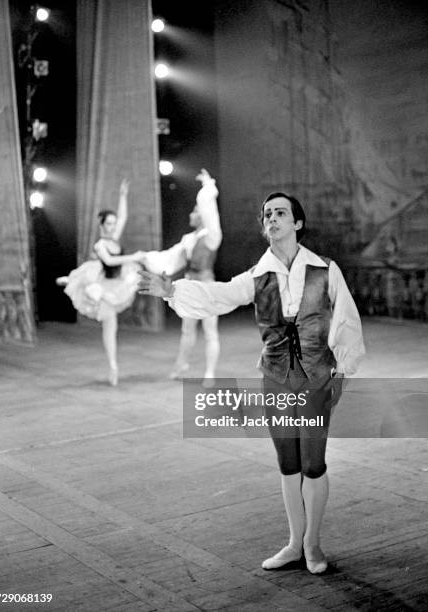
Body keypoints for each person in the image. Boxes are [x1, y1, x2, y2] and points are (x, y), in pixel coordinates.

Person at [138, 192, 365, 574]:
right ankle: (295, 543)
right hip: (275, 378)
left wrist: (342, 370)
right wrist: (173, 290)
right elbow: (220, 296)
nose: (272, 218)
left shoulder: (326, 269)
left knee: (313, 463)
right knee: (288, 463)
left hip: (315, 380)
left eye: (281, 213)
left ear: (297, 223)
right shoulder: (257, 276)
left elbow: (346, 320)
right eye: (267, 214)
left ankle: (313, 545)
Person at [137, 169, 222, 387]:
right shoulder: (188, 239)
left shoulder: (211, 237)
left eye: (194, 212)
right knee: (188, 330)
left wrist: (207, 185)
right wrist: (146, 257)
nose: (191, 215)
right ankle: (181, 364)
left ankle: (210, 372)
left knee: (210, 331)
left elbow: (210, 209)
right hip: (191, 286)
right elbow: (169, 257)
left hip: (208, 287)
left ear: (201, 216)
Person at [57, 179, 142, 386]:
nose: (113, 227)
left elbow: (123, 217)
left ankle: (70, 279)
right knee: (107, 319)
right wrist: (132, 257)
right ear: (102, 225)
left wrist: (122, 195)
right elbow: (110, 261)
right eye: (109, 224)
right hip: (101, 281)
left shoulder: (114, 239)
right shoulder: (100, 245)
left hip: (113, 280)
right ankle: (113, 365)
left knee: (111, 322)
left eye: (114, 224)